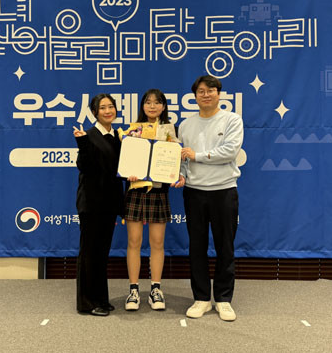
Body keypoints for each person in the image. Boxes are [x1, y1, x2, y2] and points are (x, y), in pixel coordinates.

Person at [179, 75, 243, 322]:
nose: (206, 95)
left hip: (224, 190)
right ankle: (202, 298)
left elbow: (229, 152)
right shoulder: (186, 125)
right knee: (197, 247)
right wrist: (181, 174)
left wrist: (197, 156)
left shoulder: (231, 120)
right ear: (195, 96)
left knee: (225, 246)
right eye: (201, 91)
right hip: (194, 192)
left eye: (211, 90)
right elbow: (182, 158)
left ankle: (224, 299)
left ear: (219, 94)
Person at [123, 89, 185, 311]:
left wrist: (177, 172)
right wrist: (129, 171)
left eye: (157, 102)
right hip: (136, 191)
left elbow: (176, 160)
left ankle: (156, 289)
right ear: (142, 106)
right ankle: (133, 291)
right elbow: (126, 159)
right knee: (134, 242)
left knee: (157, 243)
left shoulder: (170, 131)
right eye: (148, 102)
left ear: (163, 107)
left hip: (159, 192)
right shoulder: (133, 130)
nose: (152, 106)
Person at [73, 93, 124, 316]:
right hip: (91, 204)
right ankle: (87, 303)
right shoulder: (89, 135)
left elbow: (119, 170)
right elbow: (84, 166)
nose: (107, 111)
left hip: (109, 204)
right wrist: (82, 143)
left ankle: (101, 298)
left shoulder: (117, 136)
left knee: (101, 254)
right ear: (95, 112)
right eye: (102, 108)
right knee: (89, 254)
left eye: (110, 106)